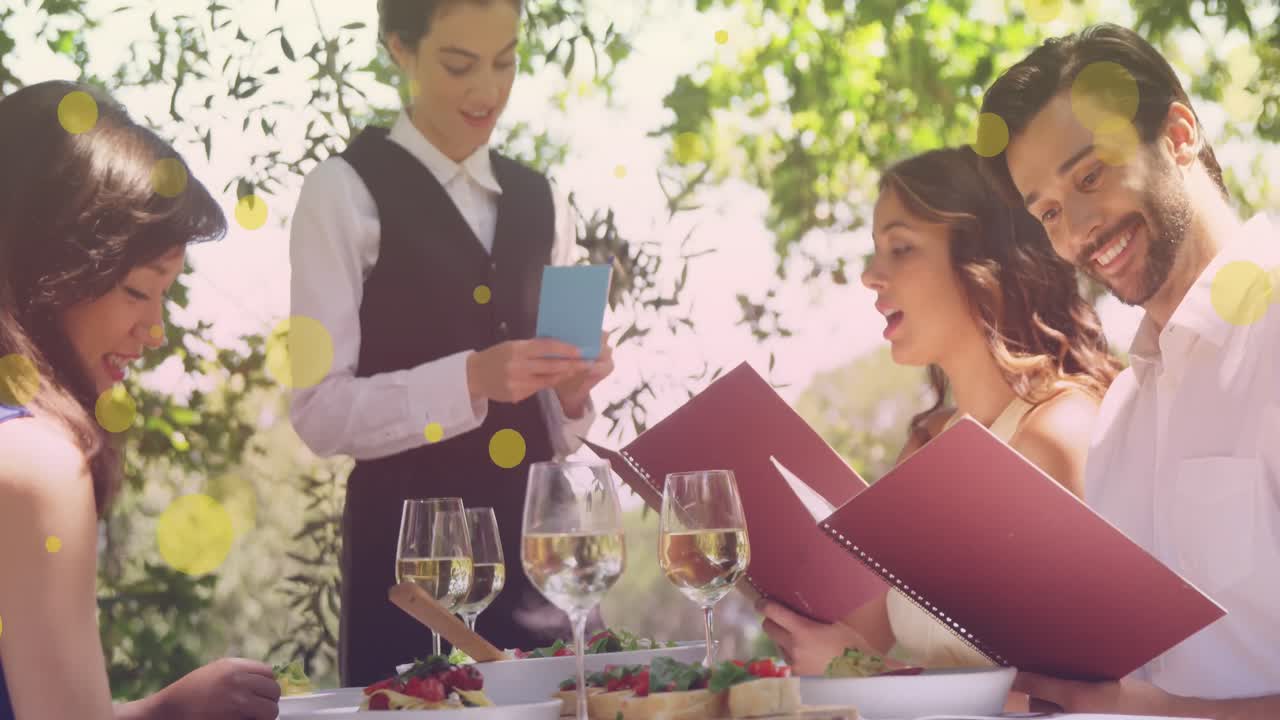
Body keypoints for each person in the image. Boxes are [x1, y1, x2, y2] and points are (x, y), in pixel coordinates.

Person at [288, 0, 615, 686]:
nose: (487, 91)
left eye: (505, 60)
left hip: (540, 578)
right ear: (398, 48)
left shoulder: (543, 200)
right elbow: (317, 413)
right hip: (412, 586)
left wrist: (572, 395)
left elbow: (556, 433)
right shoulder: (340, 194)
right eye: (459, 64)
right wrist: (469, 378)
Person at [977, 23, 1279, 718]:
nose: (1078, 225)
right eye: (1049, 211)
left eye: (1092, 175)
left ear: (1178, 134)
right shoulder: (1124, 410)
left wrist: (1152, 711)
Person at [755, 147, 1123, 680]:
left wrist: (861, 670)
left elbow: (1086, 692)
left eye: (901, 248)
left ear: (985, 262)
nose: (870, 276)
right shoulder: (927, 445)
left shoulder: (1058, 435)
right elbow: (859, 636)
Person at [0, 81, 281, 719]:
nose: (154, 332)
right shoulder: (36, 466)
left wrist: (161, 709)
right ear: (53, 269)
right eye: (136, 290)